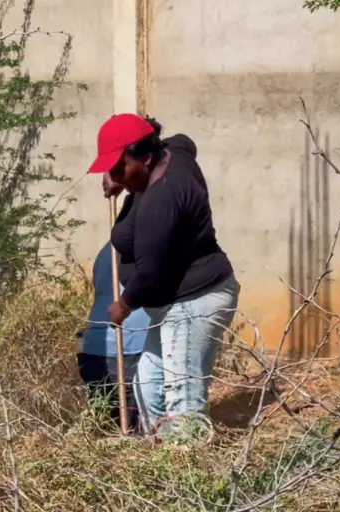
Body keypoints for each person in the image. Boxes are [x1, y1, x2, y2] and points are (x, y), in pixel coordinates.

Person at [87, 113, 240, 440]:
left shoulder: (163, 198)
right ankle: (163, 453)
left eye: (119, 167)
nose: (115, 176)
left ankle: (187, 467)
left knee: (180, 398)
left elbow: (151, 271)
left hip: (192, 302)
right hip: (174, 306)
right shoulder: (171, 154)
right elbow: (184, 141)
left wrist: (124, 306)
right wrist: (120, 178)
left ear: (145, 157)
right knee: (148, 385)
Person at [76, 239, 150, 431]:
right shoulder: (147, 246)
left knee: (105, 421)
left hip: (92, 344)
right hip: (130, 343)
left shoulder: (106, 250)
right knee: (136, 423)